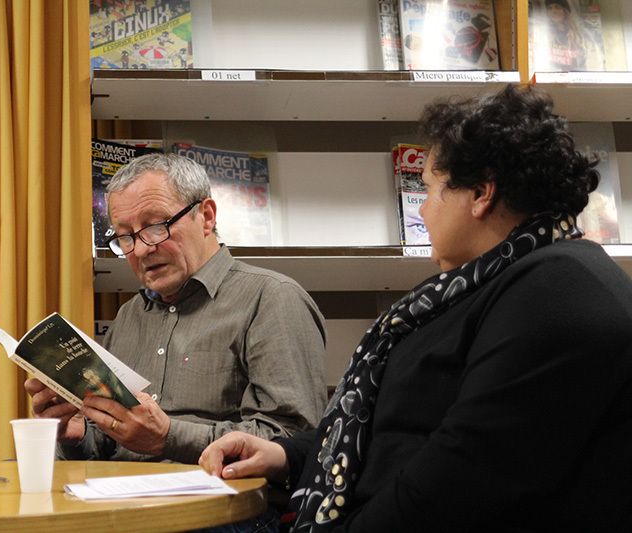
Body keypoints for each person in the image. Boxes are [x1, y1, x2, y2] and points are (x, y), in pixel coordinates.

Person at [199, 85, 632, 531]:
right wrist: (285, 455)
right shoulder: (491, 282)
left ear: (481, 194)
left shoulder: (562, 293)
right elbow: (392, 429)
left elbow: (459, 483)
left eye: (429, 190)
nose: (422, 211)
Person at [25, 153, 328, 465]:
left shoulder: (272, 299)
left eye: (156, 226)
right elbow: (106, 446)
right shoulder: (129, 316)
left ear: (207, 216)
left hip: (217, 503)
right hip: (120, 498)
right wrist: (76, 435)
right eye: (125, 236)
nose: (141, 249)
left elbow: (291, 439)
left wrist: (167, 437)